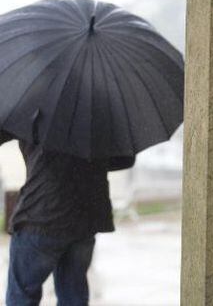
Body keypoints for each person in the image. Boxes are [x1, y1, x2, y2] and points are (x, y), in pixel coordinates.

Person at [0, 131, 134, 305]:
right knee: (74, 297)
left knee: (22, 297)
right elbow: (125, 158)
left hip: (41, 214)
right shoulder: (101, 110)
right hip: (85, 216)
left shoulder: (34, 108)